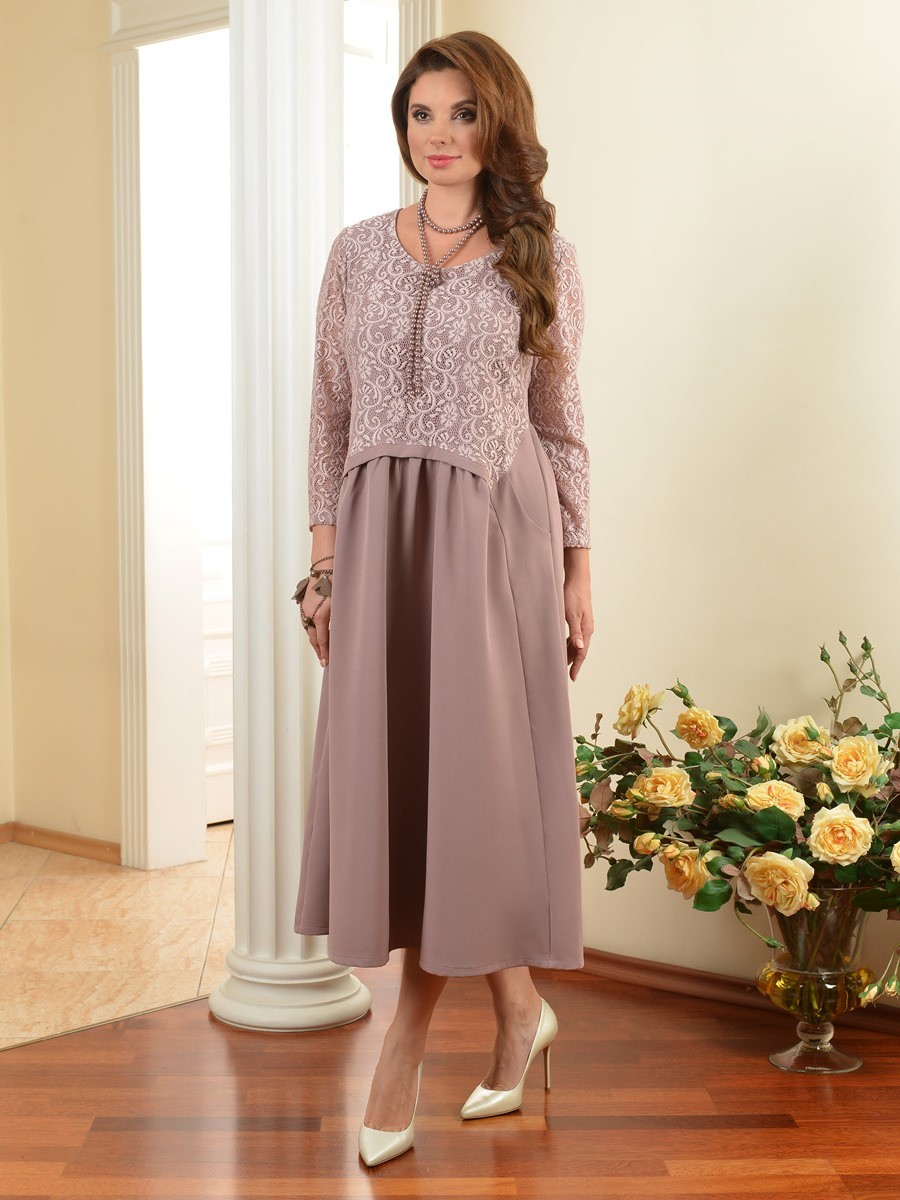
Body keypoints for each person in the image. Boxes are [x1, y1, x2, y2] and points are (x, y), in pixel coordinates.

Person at [292, 30, 594, 1168]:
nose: (441, 135)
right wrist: (324, 567)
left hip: (492, 540)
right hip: (380, 542)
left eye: (463, 113)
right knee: (417, 790)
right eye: (422, 113)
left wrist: (578, 566)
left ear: (498, 120)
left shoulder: (542, 257)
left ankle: (402, 1050)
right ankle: (520, 1014)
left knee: (468, 789)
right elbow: (328, 415)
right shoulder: (356, 252)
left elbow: (561, 425)